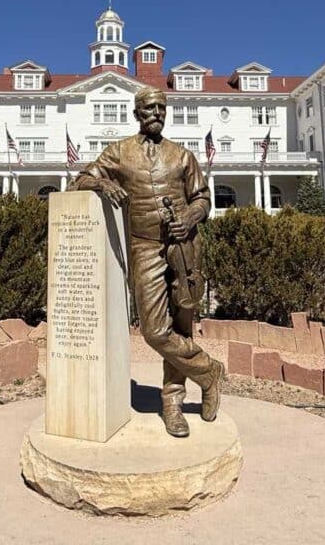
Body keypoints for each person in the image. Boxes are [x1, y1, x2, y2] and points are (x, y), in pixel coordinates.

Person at [73, 86, 224, 437]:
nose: (156, 113)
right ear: (137, 113)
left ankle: (172, 404)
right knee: (155, 331)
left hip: (184, 246)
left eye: (161, 108)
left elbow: (203, 199)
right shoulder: (119, 152)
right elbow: (79, 179)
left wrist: (190, 216)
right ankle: (208, 371)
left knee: (182, 325)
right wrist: (101, 186)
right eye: (149, 108)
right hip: (144, 246)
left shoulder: (182, 156)